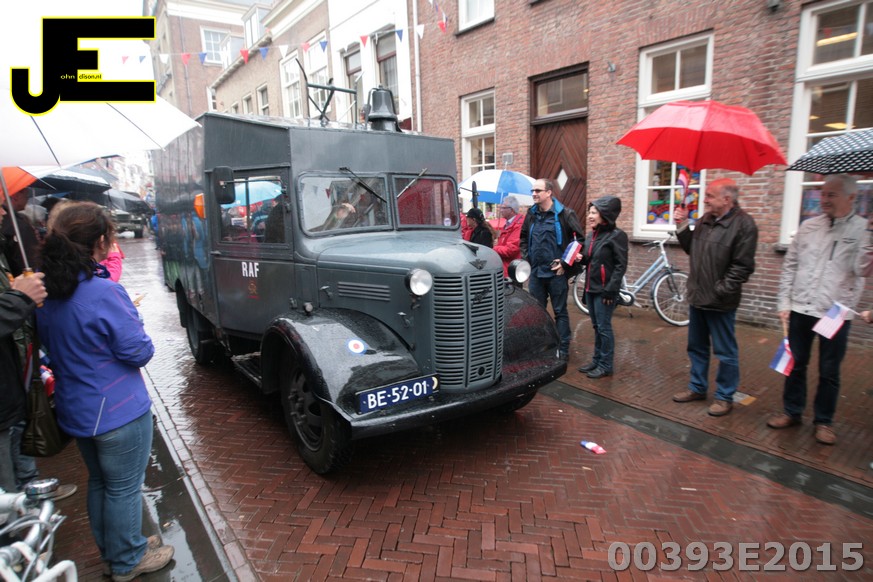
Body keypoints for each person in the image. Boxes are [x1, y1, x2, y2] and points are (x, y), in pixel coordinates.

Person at [36, 202, 174, 581]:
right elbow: (139, 351)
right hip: (118, 409)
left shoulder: (45, 292)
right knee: (124, 488)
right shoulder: (103, 292)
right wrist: (134, 319)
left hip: (77, 407)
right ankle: (128, 559)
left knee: (100, 482)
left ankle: (115, 550)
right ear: (100, 241)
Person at [768, 174, 873, 445]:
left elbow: (863, 270)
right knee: (796, 364)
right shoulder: (808, 226)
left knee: (829, 370)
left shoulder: (862, 230)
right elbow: (790, 266)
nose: (824, 199)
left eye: (831, 195)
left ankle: (823, 421)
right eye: (823, 193)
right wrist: (784, 303)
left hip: (834, 312)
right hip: (801, 308)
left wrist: (870, 238)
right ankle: (792, 411)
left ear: (851, 197)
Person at [671, 178, 758, 417]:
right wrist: (682, 224)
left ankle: (724, 396)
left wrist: (720, 290)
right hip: (698, 296)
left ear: (727, 199)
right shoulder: (705, 220)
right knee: (696, 347)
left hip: (720, 302)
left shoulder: (744, 225)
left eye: (710, 196)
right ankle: (697, 387)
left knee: (725, 351)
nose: (705, 200)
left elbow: (743, 267)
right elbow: (691, 249)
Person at [519, 178, 585, 361]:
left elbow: (579, 240)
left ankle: (563, 349)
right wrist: (528, 259)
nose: (534, 194)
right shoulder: (531, 214)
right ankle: (541, 346)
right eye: (532, 191)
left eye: (538, 190)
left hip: (557, 274)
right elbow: (523, 238)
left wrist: (565, 263)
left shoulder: (565, 214)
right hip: (536, 273)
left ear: (548, 192)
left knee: (560, 312)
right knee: (537, 312)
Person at [576, 196, 628, 379]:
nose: (590, 216)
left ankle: (606, 365)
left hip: (605, 291)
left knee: (604, 328)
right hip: (591, 288)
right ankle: (596, 360)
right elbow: (591, 259)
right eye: (589, 212)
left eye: (594, 213)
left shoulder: (617, 236)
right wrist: (582, 258)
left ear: (604, 214)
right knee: (596, 327)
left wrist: (611, 290)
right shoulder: (591, 235)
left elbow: (621, 265)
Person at [1, 187, 42, 275]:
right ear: (16, 196)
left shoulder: (18, 222)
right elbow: (29, 262)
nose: (27, 199)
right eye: (26, 196)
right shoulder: (18, 226)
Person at [493, 197, 523, 276]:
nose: (500, 210)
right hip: (506, 267)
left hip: (513, 270)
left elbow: (510, 250)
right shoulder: (508, 223)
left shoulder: (519, 225)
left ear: (511, 210)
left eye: (503, 208)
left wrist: (493, 248)